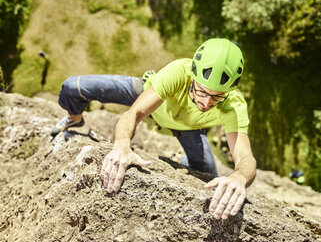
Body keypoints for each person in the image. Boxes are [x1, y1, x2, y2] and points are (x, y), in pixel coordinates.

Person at [51, 38, 257, 220]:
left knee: (208, 176)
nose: (206, 103)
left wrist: (239, 177)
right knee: (72, 87)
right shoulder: (178, 72)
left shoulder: (234, 106)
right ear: (192, 77)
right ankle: (74, 118)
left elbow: (245, 158)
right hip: (154, 100)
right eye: (201, 91)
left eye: (217, 96)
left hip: (187, 127)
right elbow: (134, 113)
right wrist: (122, 146)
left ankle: (180, 161)